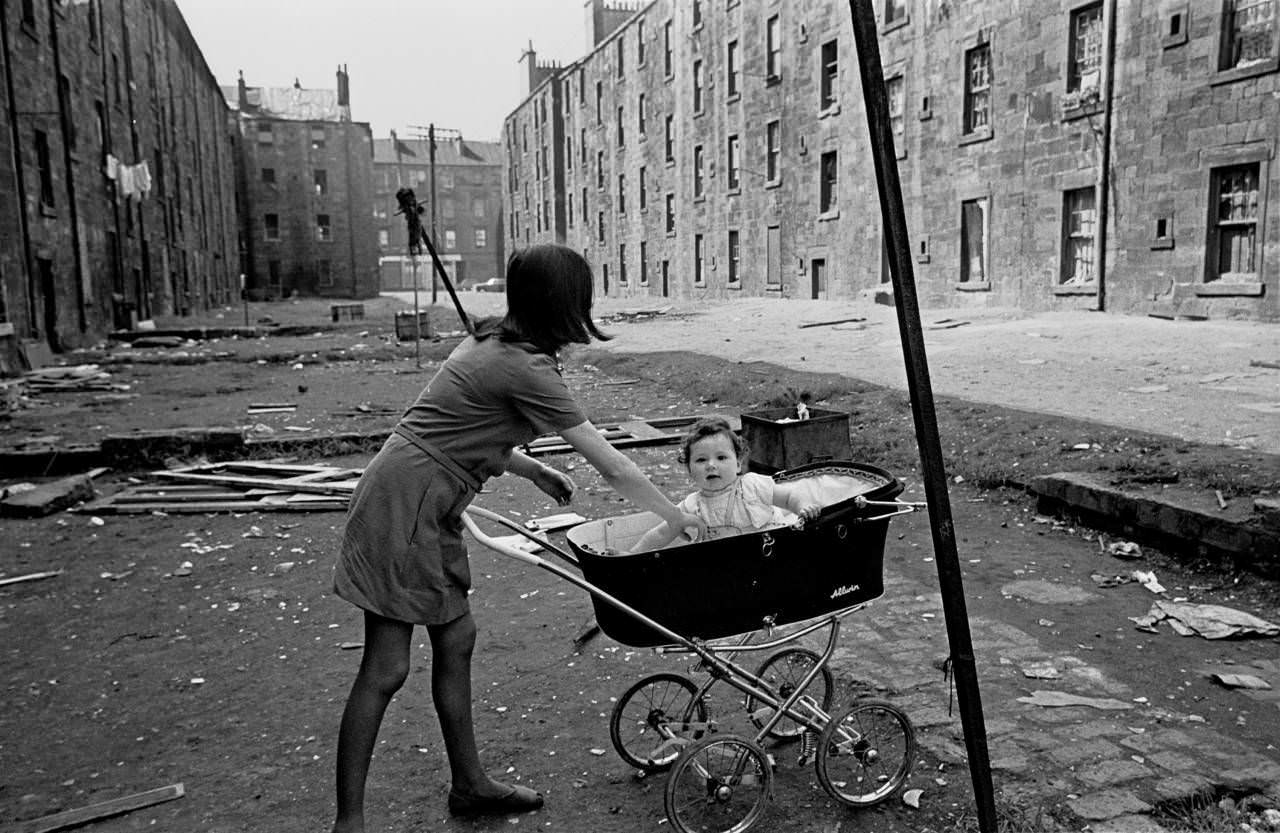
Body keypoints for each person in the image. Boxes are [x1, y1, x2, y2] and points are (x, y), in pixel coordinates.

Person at [330, 243, 705, 831]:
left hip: (422, 495)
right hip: (406, 504)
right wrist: (678, 518)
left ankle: (470, 786)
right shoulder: (523, 365)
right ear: (564, 303)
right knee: (385, 667)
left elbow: (461, 425)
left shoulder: (495, 340)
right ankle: (348, 823)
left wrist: (529, 469)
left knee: (457, 639)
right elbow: (613, 466)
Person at [629, 416, 823, 552]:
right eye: (701, 460)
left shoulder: (752, 486)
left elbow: (789, 496)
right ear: (689, 470)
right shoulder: (692, 505)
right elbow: (663, 531)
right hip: (731, 566)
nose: (711, 465)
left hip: (772, 552)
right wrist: (631, 555)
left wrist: (802, 507)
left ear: (738, 463)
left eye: (721, 457)